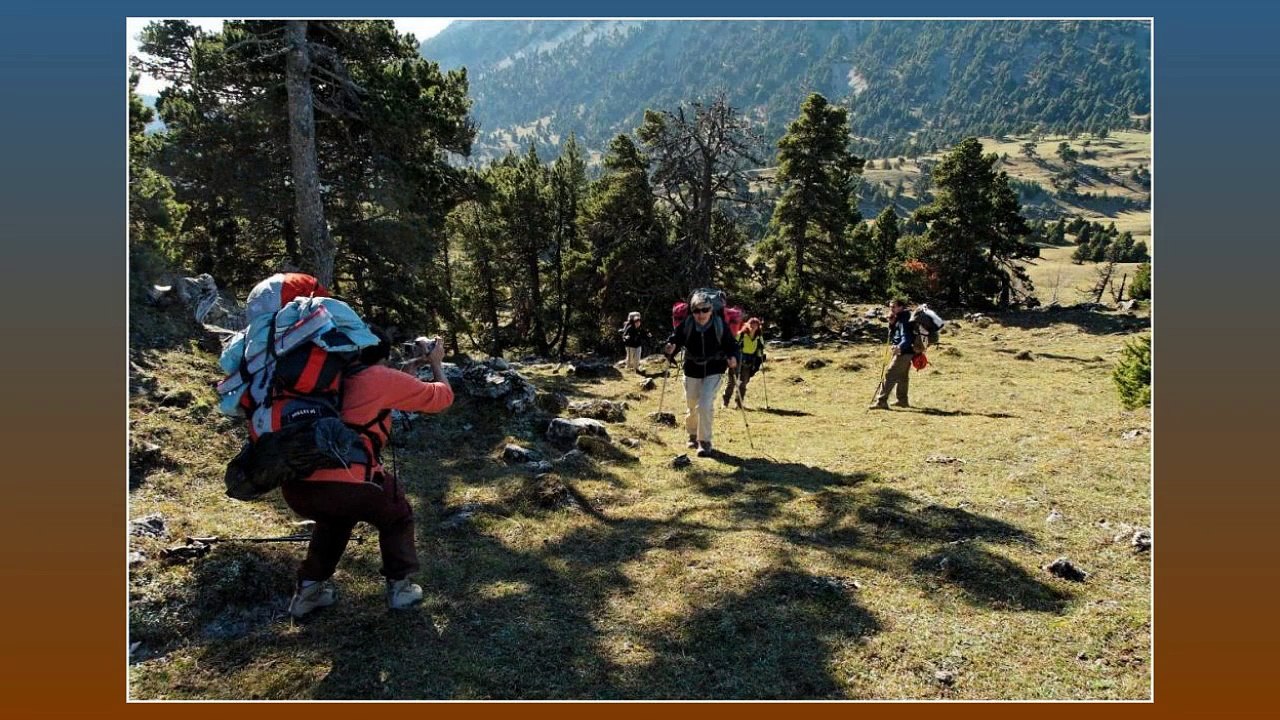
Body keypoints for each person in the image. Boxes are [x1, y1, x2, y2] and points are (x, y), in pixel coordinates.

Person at [284, 333, 454, 618]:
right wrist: (436, 362)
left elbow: (376, 395)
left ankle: (307, 595)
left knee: (335, 519)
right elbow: (443, 398)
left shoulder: (330, 375)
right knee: (397, 513)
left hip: (298, 484)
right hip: (350, 482)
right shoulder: (379, 377)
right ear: (383, 356)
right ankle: (400, 590)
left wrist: (409, 368)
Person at [663, 292, 739, 457]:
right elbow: (676, 339)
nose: (701, 314)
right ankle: (692, 434)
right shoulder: (688, 324)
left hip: (715, 368)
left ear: (711, 310)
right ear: (692, 311)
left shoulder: (719, 324)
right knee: (692, 404)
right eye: (697, 310)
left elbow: (731, 344)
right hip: (692, 369)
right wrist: (670, 348)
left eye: (705, 310)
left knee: (704, 404)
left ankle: (704, 442)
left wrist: (733, 357)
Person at [870, 298, 915, 409]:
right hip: (908, 351)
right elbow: (896, 333)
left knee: (889, 374)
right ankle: (902, 401)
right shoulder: (900, 317)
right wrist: (891, 323)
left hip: (903, 352)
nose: (891, 309)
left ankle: (881, 401)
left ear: (901, 307)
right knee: (902, 376)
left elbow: (907, 338)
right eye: (890, 307)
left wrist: (899, 347)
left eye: (893, 307)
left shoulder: (904, 319)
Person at [723, 316, 765, 409]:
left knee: (743, 384)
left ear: (758, 327)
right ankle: (725, 403)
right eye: (751, 324)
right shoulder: (741, 335)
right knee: (731, 383)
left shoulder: (759, 338)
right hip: (737, 361)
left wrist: (759, 359)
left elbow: (760, 350)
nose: (753, 326)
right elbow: (732, 345)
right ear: (748, 325)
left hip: (748, 363)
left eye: (755, 325)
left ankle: (739, 404)